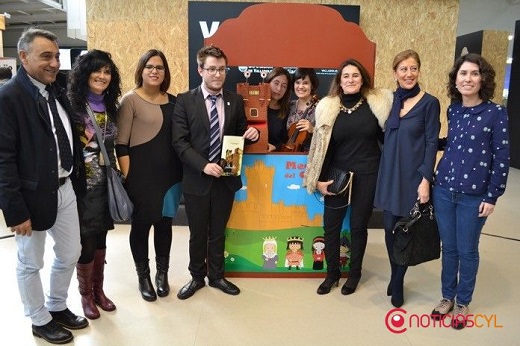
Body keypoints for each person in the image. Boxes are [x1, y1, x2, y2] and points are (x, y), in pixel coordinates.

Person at [0, 27, 88, 344]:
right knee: (30, 261)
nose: (53, 63)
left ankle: (57, 305)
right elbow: (3, 160)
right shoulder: (9, 98)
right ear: (24, 57)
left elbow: (58, 134)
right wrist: (14, 210)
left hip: (64, 188)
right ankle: (39, 318)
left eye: (56, 56)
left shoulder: (56, 90)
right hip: (30, 196)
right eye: (45, 56)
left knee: (70, 252)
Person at [172, 45, 260, 300]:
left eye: (222, 69)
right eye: (211, 69)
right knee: (198, 233)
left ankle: (217, 276)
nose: (217, 74)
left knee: (218, 231)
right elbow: (180, 142)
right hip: (197, 179)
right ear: (200, 70)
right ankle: (197, 277)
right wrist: (203, 165)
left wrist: (251, 135)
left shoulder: (235, 100)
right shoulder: (185, 100)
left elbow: (241, 135)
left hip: (226, 180)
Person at [430, 53, 509, 329]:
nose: (468, 79)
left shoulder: (495, 112)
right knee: (449, 249)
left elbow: (501, 157)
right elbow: (452, 143)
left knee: (467, 250)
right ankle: (446, 297)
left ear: (483, 79)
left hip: (474, 196)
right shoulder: (453, 110)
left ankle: (463, 302)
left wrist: (492, 196)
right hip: (443, 190)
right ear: (456, 79)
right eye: (463, 73)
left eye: (474, 73)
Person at [304, 59, 392, 295]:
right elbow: (322, 147)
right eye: (346, 76)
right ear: (339, 81)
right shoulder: (328, 107)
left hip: (367, 174)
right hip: (337, 176)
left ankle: (354, 275)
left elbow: (389, 141)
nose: (351, 80)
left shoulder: (376, 106)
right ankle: (331, 274)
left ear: (362, 78)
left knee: (358, 227)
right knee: (331, 227)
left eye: (355, 75)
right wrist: (318, 180)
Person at [374, 49, 441, 308]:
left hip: (413, 176)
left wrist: (425, 180)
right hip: (389, 173)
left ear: (419, 71)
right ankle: (395, 273)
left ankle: (399, 280)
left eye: (413, 68)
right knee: (390, 230)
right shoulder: (390, 102)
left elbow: (432, 141)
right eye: (403, 69)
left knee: (406, 232)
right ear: (395, 73)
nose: (408, 73)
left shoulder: (429, 103)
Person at [116, 49, 182, 302]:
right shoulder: (130, 100)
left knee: (165, 225)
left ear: (165, 73)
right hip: (140, 178)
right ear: (141, 70)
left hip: (171, 178)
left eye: (160, 67)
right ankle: (143, 276)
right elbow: (121, 143)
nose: (155, 71)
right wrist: (129, 176)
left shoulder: (175, 102)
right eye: (150, 67)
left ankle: (162, 275)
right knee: (141, 226)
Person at [67, 50, 121, 319]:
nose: (102, 76)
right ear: (85, 73)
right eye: (97, 70)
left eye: (108, 71)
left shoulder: (112, 106)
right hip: (81, 186)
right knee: (86, 242)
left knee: (101, 239)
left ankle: (99, 291)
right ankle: (85, 296)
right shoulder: (72, 106)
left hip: (106, 185)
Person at [285, 68, 319, 152]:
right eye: (297, 82)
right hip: (290, 153)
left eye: (305, 83)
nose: (300, 86)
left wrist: (312, 129)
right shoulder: (289, 105)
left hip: (311, 156)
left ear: (312, 85)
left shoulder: (321, 107)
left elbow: (329, 136)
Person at [265, 67, 290, 152]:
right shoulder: (254, 106)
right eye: (276, 83)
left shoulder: (287, 111)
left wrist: (275, 147)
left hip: (275, 156)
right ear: (268, 82)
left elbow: (286, 140)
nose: (279, 89)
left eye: (284, 86)